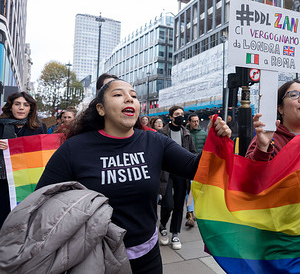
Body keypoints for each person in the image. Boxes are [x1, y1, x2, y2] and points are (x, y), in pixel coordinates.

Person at [36, 80, 231, 273]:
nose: (129, 99)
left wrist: (218, 140)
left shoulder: (154, 141)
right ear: (100, 108)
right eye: (118, 94)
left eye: (134, 96)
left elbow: (196, 168)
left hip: (148, 259)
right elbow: (42, 202)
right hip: (95, 261)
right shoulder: (74, 148)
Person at [0, 92, 46, 228]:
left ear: (30, 109)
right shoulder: (1, 125)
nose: (21, 108)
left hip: (27, 182)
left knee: (23, 219)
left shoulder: (38, 127)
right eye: (17, 104)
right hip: (3, 181)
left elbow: (42, 154)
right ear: (10, 107)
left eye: (26, 105)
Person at [159, 106, 197, 249]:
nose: (180, 116)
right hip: (166, 173)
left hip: (182, 173)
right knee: (168, 204)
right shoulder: (162, 133)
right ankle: (163, 225)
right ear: (171, 117)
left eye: (182, 114)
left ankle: (175, 233)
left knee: (179, 205)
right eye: (177, 114)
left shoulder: (186, 133)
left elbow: (192, 152)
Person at [246, 79, 300, 161]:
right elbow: (249, 171)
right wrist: (262, 148)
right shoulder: (268, 137)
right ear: (280, 108)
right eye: (294, 95)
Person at [185, 113, 207, 227]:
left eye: (197, 121)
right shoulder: (186, 134)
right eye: (193, 121)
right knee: (190, 191)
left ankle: (194, 211)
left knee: (198, 191)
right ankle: (190, 213)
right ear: (189, 122)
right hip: (189, 165)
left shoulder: (204, 134)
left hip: (202, 166)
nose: (196, 123)